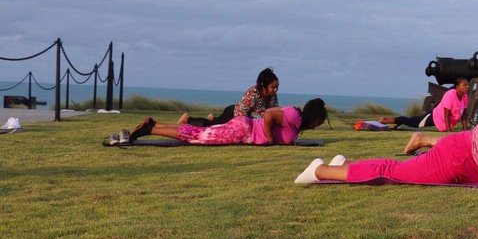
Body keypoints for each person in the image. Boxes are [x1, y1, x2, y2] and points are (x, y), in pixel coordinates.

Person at [295, 43, 478, 188]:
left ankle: (344, 164)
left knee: (398, 169)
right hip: (460, 158)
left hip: (468, 162)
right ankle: (320, 171)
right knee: (393, 174)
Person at [107, 99, 327, 146]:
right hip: (245, 130)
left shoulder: (296, 122)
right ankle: (151, 128)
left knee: (197, 131)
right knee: (198, 136)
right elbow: (269, 115)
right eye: (319, 122)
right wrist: (269, 139)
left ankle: (153, 125)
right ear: (313, 117)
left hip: (244, 129)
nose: (317, 126)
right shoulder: (294, 116)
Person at [177, 67, 280, 127]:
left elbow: (274, 111)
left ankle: (213, 118)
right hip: (233, 113)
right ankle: (188, 119)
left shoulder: (272, 96)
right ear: (263, 85)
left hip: (243, 115)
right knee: (213, 126)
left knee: (215, 122)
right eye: (272, 87)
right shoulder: (253, 92)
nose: (275, 90)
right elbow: (242, 113)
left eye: (277, 87)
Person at [378, 78, 470, 131]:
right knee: (414, 122)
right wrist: (449, 131)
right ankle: (388, 120)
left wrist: (465, 131)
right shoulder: (450, 95)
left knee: (413, 121)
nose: (467, 87)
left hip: (444, 122)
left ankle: (397, 121)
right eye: (464, 85)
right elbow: (446, 114)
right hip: (435, 117)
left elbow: (464, 115)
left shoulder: (465, 96)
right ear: (457, 87)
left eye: (467, 85)